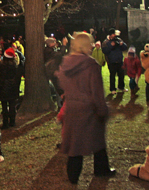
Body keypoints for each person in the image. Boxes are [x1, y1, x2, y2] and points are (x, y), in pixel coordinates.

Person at [55, 32, 115, 184]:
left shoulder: (66, 62)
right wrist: (102, 110)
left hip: (72, 108)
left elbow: (61, 84)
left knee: (75, 144)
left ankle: (73, 176)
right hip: (89, 109)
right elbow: (96, 91)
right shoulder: (91, 65)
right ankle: (101, 169)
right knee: (97, 140)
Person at [0, 48, 24, 129]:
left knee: (4, 107)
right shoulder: (16, 66)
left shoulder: (2, 66)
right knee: (12, 107)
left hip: (4, 88)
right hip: (13, 89)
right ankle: (12, 122)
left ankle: (5, 123)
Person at [102, 28, 128, 94]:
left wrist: (122, 44)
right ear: (110, 35)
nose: (114, 35)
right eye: (113, 34)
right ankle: (113, 89)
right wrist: (111, 46)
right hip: (111, 62)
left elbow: (125, 47)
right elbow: (105, 51)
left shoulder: (118, 40)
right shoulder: (106, 42)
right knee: (112, 76)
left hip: (119, 61)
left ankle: (121, 87)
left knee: (121, 75)